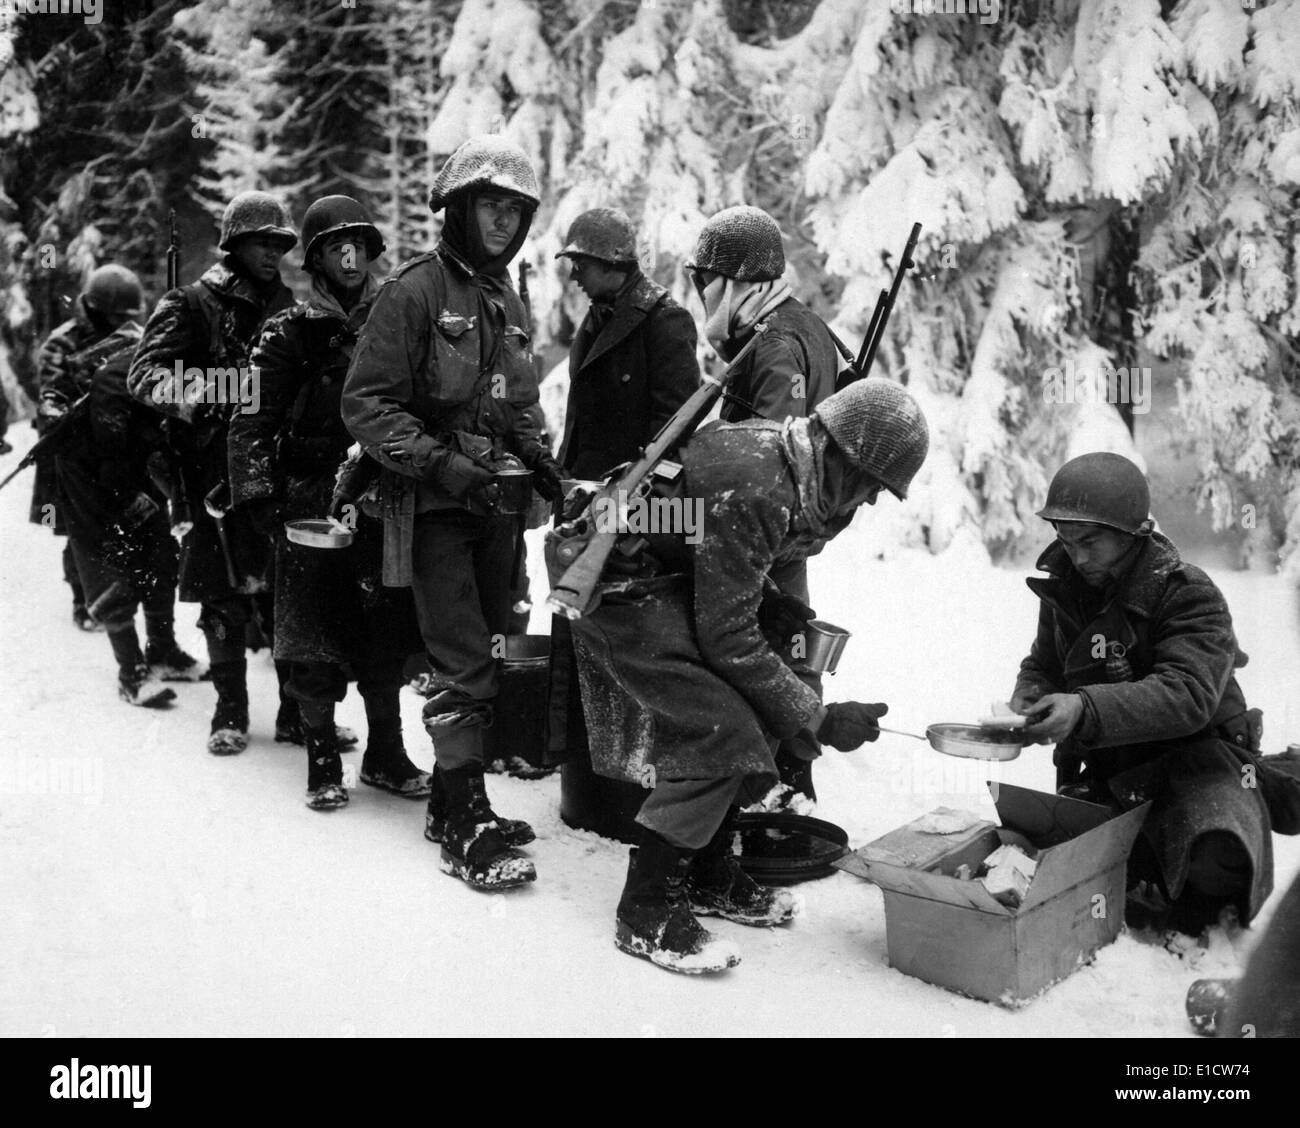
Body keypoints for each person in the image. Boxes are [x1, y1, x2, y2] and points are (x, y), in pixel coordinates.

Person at [567, 377, 929, 973]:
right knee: (718, 727)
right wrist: (821, 717)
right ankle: (646, 907)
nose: (866, 502)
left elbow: (706, 549)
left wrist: (765, 599)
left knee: (763, 705)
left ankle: (708, 873)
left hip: (663, 572)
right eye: (868, 483)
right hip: (613, 582)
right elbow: (728, 640)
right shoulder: (762, 485)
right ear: (838, 451)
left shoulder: (790, 462)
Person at [342, 135, 565, 889]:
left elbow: (517, 397)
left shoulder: (506, 295)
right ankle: (465, 822)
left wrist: (540, 459)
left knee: (497, 645)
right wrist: (443, 464)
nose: (502, 222)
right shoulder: (413, 291)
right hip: (434, 505)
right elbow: (367, 405)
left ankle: (449, 797)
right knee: (461, 658)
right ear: (458, 207)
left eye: (514, 209)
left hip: (497, 503)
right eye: (489, 206)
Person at [1010, 452, 1274, 937]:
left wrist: (1084, 709)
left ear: (1134, 534)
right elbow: (1044, 664)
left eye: (1090, 541)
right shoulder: (1068, 587)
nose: (1077, 557)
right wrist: (1032, 695)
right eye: (1066, 542)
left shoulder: (1188, 593)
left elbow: (1188, 694)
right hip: (1115, 772)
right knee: (1032, 856)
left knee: (1216, 853)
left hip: (1199, 765)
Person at [229, 195, 429, 810]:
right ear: (314, 259)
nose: (350, 256)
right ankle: (320, 756)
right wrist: (259, 493)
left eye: (359, 245)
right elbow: (251, 414)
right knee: (312, 628)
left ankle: (386, 752)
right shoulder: (286, 330)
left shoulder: (396, 321)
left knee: (385, 626)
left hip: (383, 493)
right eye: (336, 246)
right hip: (312, 496)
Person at [128, 190, 313, 756]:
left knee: (286, 594)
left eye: (279, 244)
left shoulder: (292, 307)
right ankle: (230, 708)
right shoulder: (191, 304)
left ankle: (295, 713)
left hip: (275, 472)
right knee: (223, 599)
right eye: (261, 243)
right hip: (208, 473)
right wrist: (209, 395)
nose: (271, 253)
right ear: (235, 244)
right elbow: (143, 376)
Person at [684, 203, 843, 806]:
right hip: (791, 522)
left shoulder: (776, 343)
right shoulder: (797, 325)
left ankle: (778, 778)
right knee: (790, 635)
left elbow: (768, 455)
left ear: (736, 283)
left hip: (767, 523)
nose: (702, 293)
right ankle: (790, 772)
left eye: (707, 281)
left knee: (761, 640)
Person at [548, 206, 700, 783]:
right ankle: (582, 765)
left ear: (614, 263)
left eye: (582, 264)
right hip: (587, 507)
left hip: (630, 513)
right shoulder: (597, 317)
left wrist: (633, 506)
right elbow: (580, 415)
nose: (574, 276)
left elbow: (675, 431)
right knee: (578, 631)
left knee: (625, 642)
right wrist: (565, 482)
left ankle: (625, 778)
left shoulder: (665, 322)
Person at [51, 299, 203, 706]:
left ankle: (163, 650)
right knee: (112, 563)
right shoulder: (124, 370)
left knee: (159, 554)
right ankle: (131, 671)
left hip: (132, 463)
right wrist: (127, 495)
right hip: (89, 474)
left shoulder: (187, 364)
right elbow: (111, 444)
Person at [33, 265, 148, 633]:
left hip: (117, 444)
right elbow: (50, 399)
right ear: (96, 308)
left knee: (121, 526)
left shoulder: (135, 337)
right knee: (74, 531)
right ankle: (82, 599)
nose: (121, 324)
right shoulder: (63, 342)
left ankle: (116, 599)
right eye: (115, 316)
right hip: (73, 450)